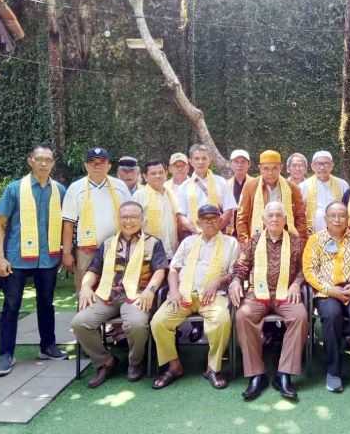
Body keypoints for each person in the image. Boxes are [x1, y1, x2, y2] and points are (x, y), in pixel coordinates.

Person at [71, 201, 168, 387]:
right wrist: (85, 287)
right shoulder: (108, 243)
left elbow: (160, 270)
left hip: (137, 295)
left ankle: (135, 362)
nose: (128, 221)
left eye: (133, 217)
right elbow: (93, 270)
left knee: (136, 324)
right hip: (107, 295)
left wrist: (150, 290)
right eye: (125, 217)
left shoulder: (153, 243)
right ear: (118, 219)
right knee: (80, 323)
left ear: (142, 219)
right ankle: (105, 361)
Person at [0, 145, 67, 377]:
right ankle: (6, 354)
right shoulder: (15, 189)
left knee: (46, 303)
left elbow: (66, 223)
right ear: (30, 161)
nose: (44, 163)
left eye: (48, 159)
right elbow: (0, 223)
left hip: (48, 257)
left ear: (53, 163)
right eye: (39, 159)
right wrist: (0, 257)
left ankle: (48, 346)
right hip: (16, 258)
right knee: (11, 305)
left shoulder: (59, 190)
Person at [150, 204, 238, 390]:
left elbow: (234, 273)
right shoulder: (188, 242)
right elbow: (173, 269)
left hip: (213, 296)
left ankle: (213, 368)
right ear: (198, 222)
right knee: (159, 322)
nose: (210, 223)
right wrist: (174, 291)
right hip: (183, 294)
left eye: (214, 219)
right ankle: (174, 366)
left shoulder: (231, 243)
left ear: (220, 220)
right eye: (206, 220)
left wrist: (217, 281)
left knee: (221, 320)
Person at [230, 202, 307, 401]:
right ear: (263, 219)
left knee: (299, 316)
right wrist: (236, 281)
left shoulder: (296, 242)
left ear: (285, 219)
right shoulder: (254, 241)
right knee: (243, 315)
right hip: (258, 293)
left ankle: (284, 374)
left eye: (278, 215)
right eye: (270, 215)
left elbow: (303, 269)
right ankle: (257, 375)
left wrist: (296, 284)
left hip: (285, 294)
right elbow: (242, 265)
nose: (274, 219)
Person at [303, 201, 350, 394]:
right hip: (328, 292)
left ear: (348, 218)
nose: (337, 219)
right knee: (331, 315)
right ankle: (333, 371)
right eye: (333, 215)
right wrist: (330, 290)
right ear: (325, 219)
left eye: (342, 215)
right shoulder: (315, 240)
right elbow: (309, 271)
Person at [62, 148, 131, 293]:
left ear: (109, 166)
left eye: (101, 162)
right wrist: (66, 253)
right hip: (86, 251)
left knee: (116, 290)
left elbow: (130, 217)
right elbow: (68, 224)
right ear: (86, 166)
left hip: (117, 249)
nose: (97, 166)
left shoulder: (120, 186)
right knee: (85, 291)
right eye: (92, 162)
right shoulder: (75, 188)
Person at [237, 150, 308, 245]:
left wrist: (300, 243)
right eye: (266, 168)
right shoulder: (250, 187)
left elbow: (300, 218)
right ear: (260, 168)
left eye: (275, 168)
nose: (270, 173)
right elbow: (242, 218)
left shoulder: (292, 188)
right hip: (257, 241)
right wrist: (246, 244)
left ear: (281, 168)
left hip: (286, 241)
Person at [177, 144, 237, 232]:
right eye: (197, 159)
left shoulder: (221, 182)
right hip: (194, 234)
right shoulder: (184, 187)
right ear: (191, 161)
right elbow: (181, 215)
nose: (200, 162)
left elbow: (229, 210)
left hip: (218, 232)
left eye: (204, 158)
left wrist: (215, 229)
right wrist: (196, 230)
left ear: (210, 160)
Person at [133, 160, 182, 260]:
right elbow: (133, 225)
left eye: (161, 172)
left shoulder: (171, 194)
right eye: (153, 173)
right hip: (149, 254)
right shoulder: (139, 195)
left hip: (172, 252)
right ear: (145, 176)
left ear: (166, 174)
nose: (158, 176)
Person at [300, 150, 350, 235]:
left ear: (332, 165)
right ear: (312, 166)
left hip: (338, 234)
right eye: (319, 164)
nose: (322, 167)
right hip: (312, 234)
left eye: (326, 163)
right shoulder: (303, 186)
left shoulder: (342, 184)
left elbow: (348, 210)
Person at [226, 149, 254, 236]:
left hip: (250, 229)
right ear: (230, 164)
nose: (239, 165)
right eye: (236, 162)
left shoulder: (255, 184)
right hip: (230, 231)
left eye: (243, 162)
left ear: (249, 164)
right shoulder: (226, 185)